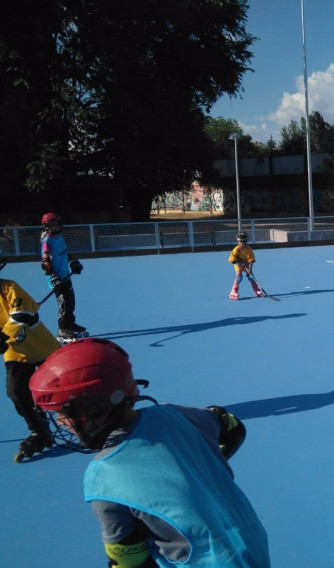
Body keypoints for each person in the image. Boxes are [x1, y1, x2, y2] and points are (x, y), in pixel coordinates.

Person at [29, 338, 271, 568]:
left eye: (63, 413)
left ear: (96, 408)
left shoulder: (102, 477)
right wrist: (198, 471)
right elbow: (232, 427)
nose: (60, 422)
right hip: (251, 540)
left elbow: (130, 561)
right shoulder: (177, 414)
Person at [0, 258, 60, 460]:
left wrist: (2, 335)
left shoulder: (9, 287)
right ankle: (39, 430)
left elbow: (22, 314)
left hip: (43, 347)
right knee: (16, 392)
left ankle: (93, 418)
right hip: (16, 352)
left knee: (66, 386)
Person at [40, 212, 86, 341]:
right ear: (46, 227)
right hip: (57, 279)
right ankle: (62, 330)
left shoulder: (59, 237)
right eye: (51, 225)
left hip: (66, 276)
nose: (54, 227)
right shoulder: (47, 241)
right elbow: (45, 263)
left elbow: (65, 253)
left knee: (70, 302)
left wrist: (73, 262)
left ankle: (70, 324)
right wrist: (53, 277)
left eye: (56, 224)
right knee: (63, 304)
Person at [228, 231, 262, 300]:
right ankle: (233, 291)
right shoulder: (236, 250)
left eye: (243, 242)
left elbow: (251, 259)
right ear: (238, 242)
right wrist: (240, 264)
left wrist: (250, 268)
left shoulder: (248, 249)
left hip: (246, 264)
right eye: (240, 242)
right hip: (238, 265)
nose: (242, 243)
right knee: (239, 277)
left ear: (246, 242)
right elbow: (232, 260)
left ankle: (256, 290)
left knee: (251, 276)